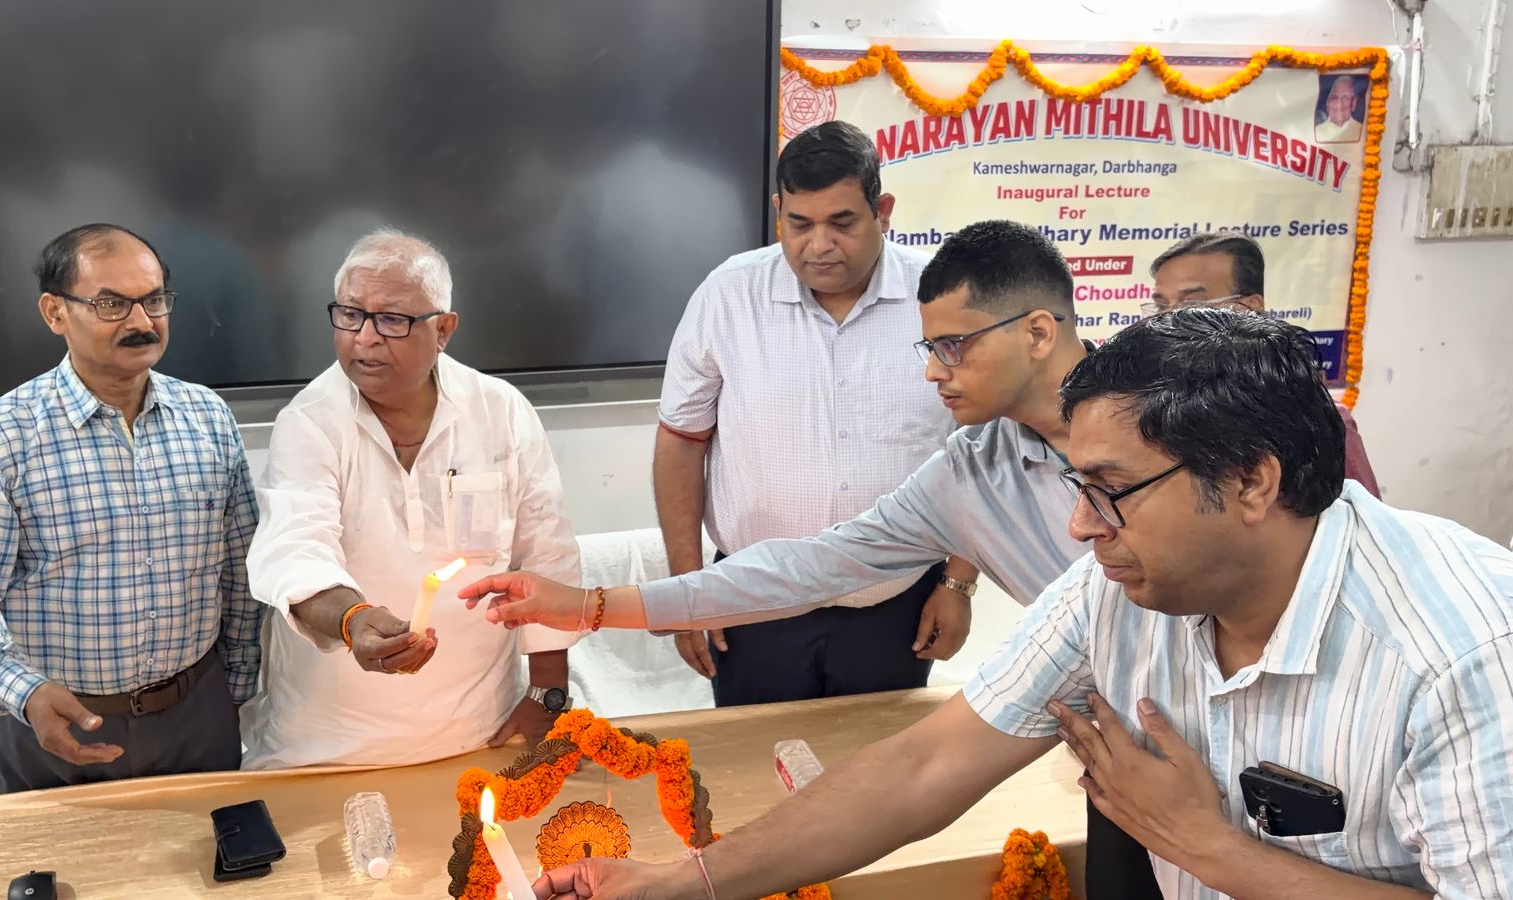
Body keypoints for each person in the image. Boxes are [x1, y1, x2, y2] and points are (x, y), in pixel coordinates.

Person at [495, 309, 1513, 899]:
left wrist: (1210, 849)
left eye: (1110, 491)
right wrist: (679, 883)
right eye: (1076, 486)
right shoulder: (1117, 589)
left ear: (1251, 481)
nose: (1078, 527)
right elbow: (926, 765)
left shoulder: (1458, 649)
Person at [469, 220, 1166, 897]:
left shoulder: (1178, 428)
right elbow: (812, 569)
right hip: (1123, 773)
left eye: (953, 347)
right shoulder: (972, 472)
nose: (932, 372)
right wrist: (589, 606)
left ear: (1038, 333)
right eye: (928, 348)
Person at [0, 224, 260, 793]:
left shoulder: (209, 418)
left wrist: (236, 686)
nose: (142, 321)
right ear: (55, 312)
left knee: (209, 852)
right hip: (55, 726)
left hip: (197, 716)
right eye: (111, 304)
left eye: (154, 300)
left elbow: (241, 571)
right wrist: (20, 689)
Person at [655, 120, 974, 705]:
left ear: (883, 211)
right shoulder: (729, 295)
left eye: (842, 223)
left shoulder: (943, 296)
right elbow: (681, 439)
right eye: (799, 224)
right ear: (778, 212)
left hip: (898, 600)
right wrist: (688, 588)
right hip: (752, 600)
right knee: (757, 755)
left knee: (882, 756)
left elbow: (979, 449)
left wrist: (958, 582)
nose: (819, 245)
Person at [239, 228, 582, 769]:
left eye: (392, 320)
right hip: (330, 743)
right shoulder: (310, 422)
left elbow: (547, 557)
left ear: (443, 329)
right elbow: (294, 550)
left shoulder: (500, 411)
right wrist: (354, 620)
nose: (365, 338)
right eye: (350, 315)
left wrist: (547, 694)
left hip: (482, 730)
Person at [1144, 231, 1380, 495]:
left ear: (1249, 308)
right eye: (1161, 307)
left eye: (1191, 304)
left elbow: (1361, 517)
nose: (1169, 321)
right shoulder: (1148, 414)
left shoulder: (1315, 422)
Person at [1314, 75, 1363, 143]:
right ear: (1327, 103)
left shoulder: (1362, 131)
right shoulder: (1315, 132)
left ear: (1354, 102)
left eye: (1345, 98)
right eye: (1334, 98)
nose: (1339, 104)